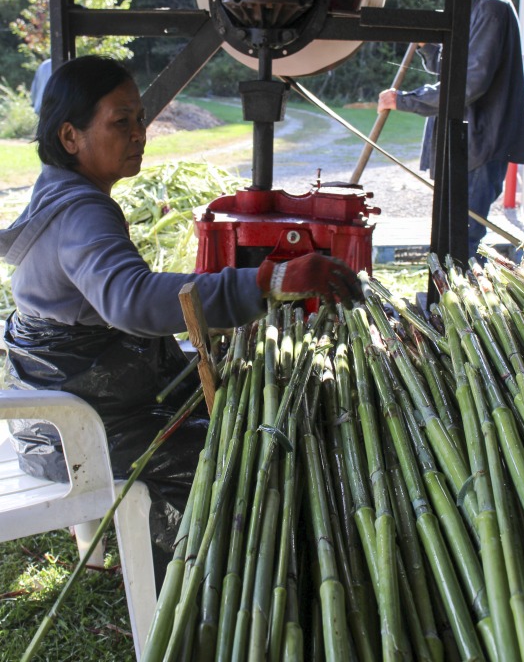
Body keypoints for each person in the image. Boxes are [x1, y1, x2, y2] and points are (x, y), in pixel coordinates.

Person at [0, 55, 362, 574]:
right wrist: (270, 281)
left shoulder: (58, 190)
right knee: (236, 452)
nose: (139, 133)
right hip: (78, 430)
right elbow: (131, 300)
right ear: (70, 136)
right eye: (120, 122)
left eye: (140, 118)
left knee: (229, 405)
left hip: (55, 411)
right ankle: (207, 572)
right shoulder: (83, 210)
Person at [377, 0, 524, 260]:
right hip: (463, 141)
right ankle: (448, 297)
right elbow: (451, 67)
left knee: (463, 237)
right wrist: (428, 47)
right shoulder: (469, 9)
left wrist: (406, 100)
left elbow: (471, 83)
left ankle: (460, 299)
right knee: (450, 233)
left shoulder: (492, 9)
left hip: (480, 141)